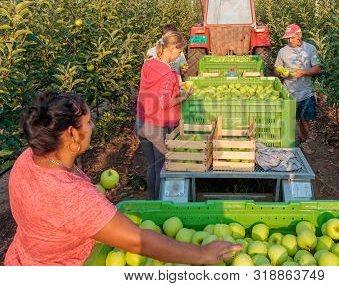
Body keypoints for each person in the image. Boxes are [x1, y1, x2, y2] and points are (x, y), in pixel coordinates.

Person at [5, 92, 239, 266]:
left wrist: (95, 201)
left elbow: (53, 211)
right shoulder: (72, 198)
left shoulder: (27, 159)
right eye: (88, 122)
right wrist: (201, 254)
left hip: (24, 259)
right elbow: (138, 242)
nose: (92, 126)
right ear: (72, 134)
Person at [136, 31, 193, 199]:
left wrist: (176, 85)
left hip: (141, 121)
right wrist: (184, 96)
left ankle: (151, 200)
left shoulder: (148, 64)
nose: (179, 55)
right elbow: (165, 103)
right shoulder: (169, 74)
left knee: (152, 165)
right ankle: (159, 205)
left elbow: (152, 89)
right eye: (179, 51)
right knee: (162, 167)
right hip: (156, 127)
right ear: (173, 48)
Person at [274, 24, 321, 154]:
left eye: (292, 38)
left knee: (305, 120)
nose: (289, 41)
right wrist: (280, 73)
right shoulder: (283, 51)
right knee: (288, 120)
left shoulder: (310, 49)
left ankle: (304, 142)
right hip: (288, 92)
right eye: (288, 38)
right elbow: (277, 68)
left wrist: (303, 73)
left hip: (306, 92)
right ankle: (288, 145)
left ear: (299, 35)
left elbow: (317, 68)